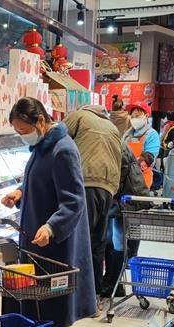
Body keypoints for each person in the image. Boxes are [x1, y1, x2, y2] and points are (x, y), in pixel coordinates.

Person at [1, 97, 96, 327]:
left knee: (52, 311)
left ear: (41, 121)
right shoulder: (41, 147)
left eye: (24, 131)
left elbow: (74, 200)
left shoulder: (63, 150)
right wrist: (20, 193)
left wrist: (52, 227)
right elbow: (42, 180)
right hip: (37, 241)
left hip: (54, 247)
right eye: (17, 132)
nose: (22, 136)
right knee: (38, 308)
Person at [63, 106, 122, 314]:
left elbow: (55, 138)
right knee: (97, 244)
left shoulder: (78, 116)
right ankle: (94, 298)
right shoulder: (112, 127)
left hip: (85, 183)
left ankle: (75, 298)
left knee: (80, 243)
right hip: (108, 189)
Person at [102, 140, 150, 299]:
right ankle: (113, 283)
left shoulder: (116, 146)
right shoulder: (115, 143)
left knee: (117, 241)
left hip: (127, 200)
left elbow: (117, 178)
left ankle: (113, 284)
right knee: (112, 240)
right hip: (125, 199)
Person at [122, 101, 160, 189]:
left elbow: (149, 157)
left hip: (141, 180)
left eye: (137, 116)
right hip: (125, 179)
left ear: (146, 116)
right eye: (132, 117)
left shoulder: (152, 134)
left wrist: (128, 165)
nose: (134, 119)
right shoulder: (127, 134)